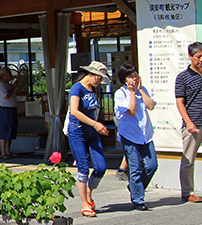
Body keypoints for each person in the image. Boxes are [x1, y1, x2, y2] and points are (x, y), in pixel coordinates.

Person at [67, 60, 110, 218]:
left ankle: (89, 190)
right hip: (78, 131)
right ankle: (85, 203)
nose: (100, 82)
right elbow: (74, 111)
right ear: (91, 74)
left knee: (100, 167)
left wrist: (98, 125)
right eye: (99, 78)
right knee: (83, 168)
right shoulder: (76, 88)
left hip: (92, 132)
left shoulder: (92, 90)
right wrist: (95, 124)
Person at [114, 62, 157, 211]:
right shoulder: (121, 94)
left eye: (135, 75)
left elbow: (150, 106)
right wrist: (132, 92)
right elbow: (131, 110)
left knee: (152, 165)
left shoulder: (142, 90)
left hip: (145, 135)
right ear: (124, 79)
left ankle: (135, 187)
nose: (134, 79)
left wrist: (140, 90)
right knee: (134, 167)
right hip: (129, 135)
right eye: (131, 77)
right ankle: (138, 200)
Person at [176, 41, 202, 202]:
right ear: (190, 57)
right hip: (193, 124)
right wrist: (188, 122)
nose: (201, 60)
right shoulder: (183, 77)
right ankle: (187, 192)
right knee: (188, 159)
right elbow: (180, 102)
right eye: (198, 57)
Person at [0, 66, 19, 159]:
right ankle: (3, 152)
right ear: (4, 75)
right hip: (5, 109)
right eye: (8, 74)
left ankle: (8, 150)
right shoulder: (1, 85)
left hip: (12, 109)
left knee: (11, 130)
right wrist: (13, 87)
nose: (10, 76)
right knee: (5, 129)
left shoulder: (8, 84)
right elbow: (6, 96)